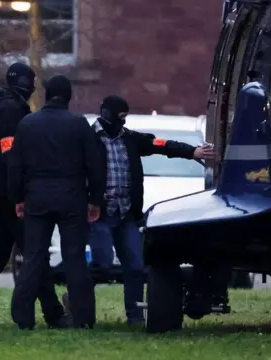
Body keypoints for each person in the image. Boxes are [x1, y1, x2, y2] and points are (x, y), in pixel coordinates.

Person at [73, 95, 214, 325]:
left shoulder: (130, 139)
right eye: (120, 117)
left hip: (126, 213)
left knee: (136, 267)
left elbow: (160, 145)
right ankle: (79, 304)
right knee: (103, 265)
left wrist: (192, 152)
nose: (122, 122)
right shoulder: (87, 139)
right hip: (99, 214)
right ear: (107, 114)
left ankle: (135, 316)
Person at [0, 63, 65, 331]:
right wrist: (20, 191)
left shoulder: (1, 105)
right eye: (31, 81)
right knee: (34, 254)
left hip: (1, 192)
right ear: (22, 82)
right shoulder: (10, 109)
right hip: (8, 193)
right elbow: (10, 154)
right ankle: (53, 313)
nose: (33, 87)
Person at [8, 75, 106, 330]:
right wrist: (95, 200)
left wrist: (18, 198)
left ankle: (23, 316)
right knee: (74, 257)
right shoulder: (79, 124)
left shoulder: (28, 124)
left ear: (45, 95)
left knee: (34, 257)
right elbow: (94, 165)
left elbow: (15, 165)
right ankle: (83, 317)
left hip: (37, 196)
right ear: (69, 96)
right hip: (72, 197)